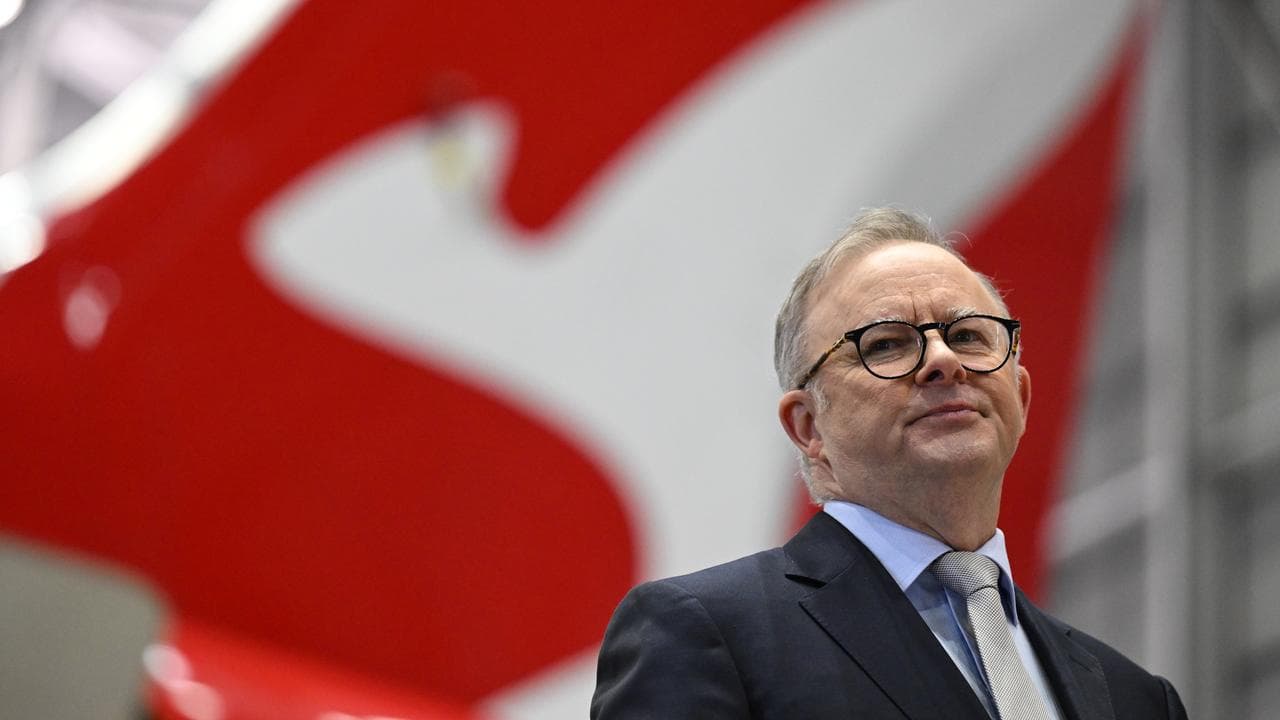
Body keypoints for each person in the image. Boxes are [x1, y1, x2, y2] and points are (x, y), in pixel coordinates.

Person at [590, 208, 1188, 719]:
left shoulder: (1136, 698)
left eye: (971, 336)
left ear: (1021, 399)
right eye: (886, 344)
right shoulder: (705, 632)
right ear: (809, 426)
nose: (943, 361)